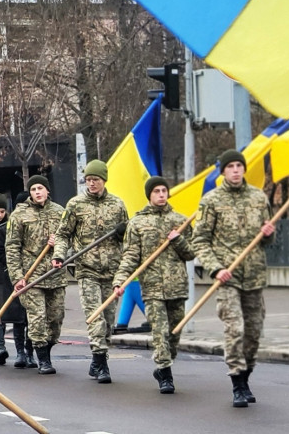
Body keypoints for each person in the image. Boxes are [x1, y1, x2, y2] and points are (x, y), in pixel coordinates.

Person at [191, 149, 276, 408]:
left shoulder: (258, 198)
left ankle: (246, 374)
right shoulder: (211, 201)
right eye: (231, 166)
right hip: (227, 278)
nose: (236, 170)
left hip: (254, 276)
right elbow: (200, 240)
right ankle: (237, 382)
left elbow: (269, 240)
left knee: (253, 333)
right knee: (235, 329)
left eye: (240, 166)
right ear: (224, 170)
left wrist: (269, 232)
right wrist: (216, 269)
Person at [112, 177, 195, 395]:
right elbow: (130, 256)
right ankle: (164, 372)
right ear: (149, 194)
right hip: (152, 288)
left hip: (177, 286)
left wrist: (178, 239)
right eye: (156, 191)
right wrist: (120, 281)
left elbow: (191, 253)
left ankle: (166, 362)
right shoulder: (137, 223)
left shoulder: (180, 220)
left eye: (164, 190)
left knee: (174, 332)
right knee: (160, 331)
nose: (161, 194)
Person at [53, 159, 128, 384]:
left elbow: (129, 239)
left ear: (104, 180)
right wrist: (59, 255)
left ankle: (99, 358)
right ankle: (101, 362)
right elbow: (62, 233)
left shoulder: (117, 204)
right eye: (88, 180)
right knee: (95, 317)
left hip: (112, 271)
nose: (91, 183)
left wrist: (124, 234)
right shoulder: (76, 204)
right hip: (87, 270)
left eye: (95, 179)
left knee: (108, 319)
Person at [6, 175, 65, 375]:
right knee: (37, 317)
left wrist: (59, 245)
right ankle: (43, 360)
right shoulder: (19, 214)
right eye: (33, 189)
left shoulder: (60, 212)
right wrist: (17, 277)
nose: (37, 192)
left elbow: (71, 240)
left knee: (55, 319)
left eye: (40, 188)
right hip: (31, 277)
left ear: (47, 190)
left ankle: (44, 349)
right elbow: (12, 247)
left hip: (55, 274)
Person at [0, 193, 30, 367]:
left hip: (7, 276)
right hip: (5, 273)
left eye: (2, 211)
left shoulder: (9, 226)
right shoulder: (4, 230)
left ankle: (25, 352)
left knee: (17, 313)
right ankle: (0, 347)